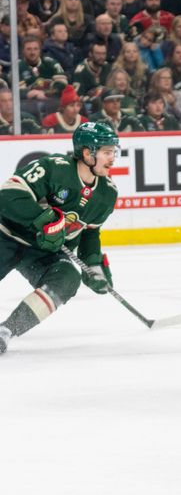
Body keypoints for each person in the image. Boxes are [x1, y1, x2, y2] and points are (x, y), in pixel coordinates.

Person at [0, 121, 119, 354]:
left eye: (114, 152)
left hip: (45, 253)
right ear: (87, 153)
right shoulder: (55, 168)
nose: (112, 158)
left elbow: (90, 233)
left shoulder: (107, 193)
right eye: (106, 152)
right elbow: (8, 195)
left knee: (67, 278)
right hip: (7, 237)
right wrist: (42, 222)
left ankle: (7, 330)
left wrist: (93, 266)